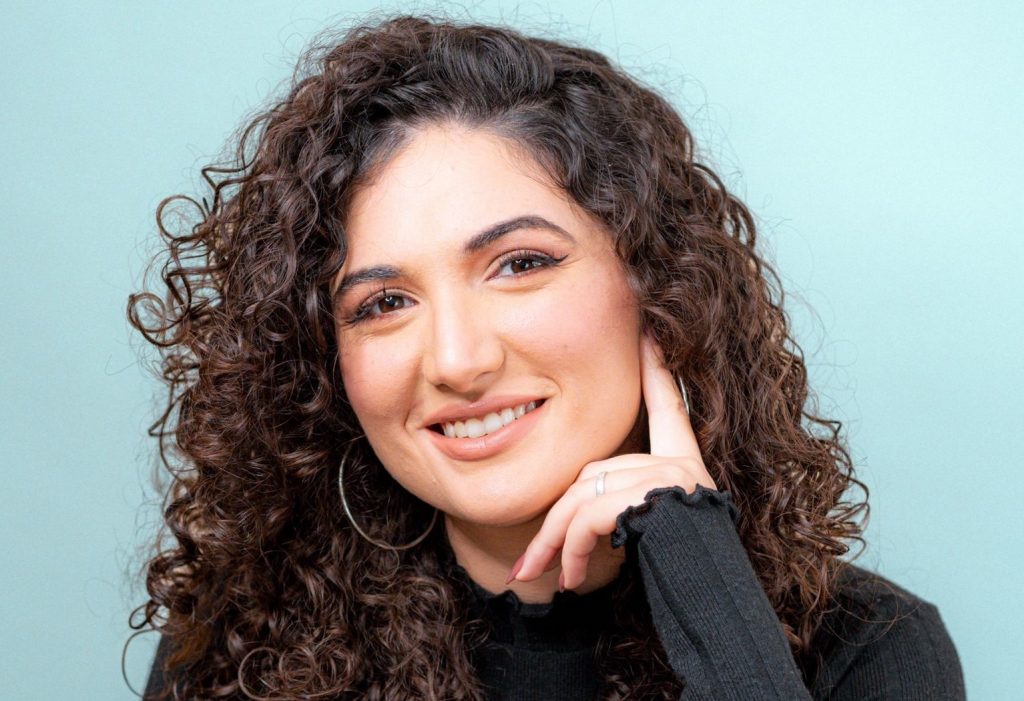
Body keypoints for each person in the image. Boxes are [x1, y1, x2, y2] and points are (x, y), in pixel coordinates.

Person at [130, 14, 964, 701]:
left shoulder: (867, 649)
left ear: (659, 284)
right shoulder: (241, 648)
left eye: (520, 263)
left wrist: (703, 582)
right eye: (383, 304)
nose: (457, 360)